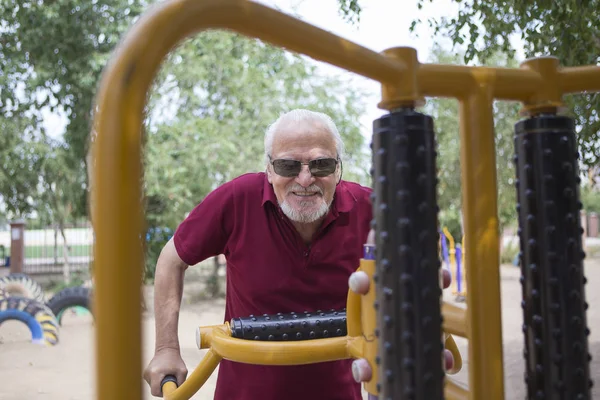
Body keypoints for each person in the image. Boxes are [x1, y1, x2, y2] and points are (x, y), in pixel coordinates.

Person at [143, 109, 453, 399]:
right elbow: (172, 260)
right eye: (288, 166)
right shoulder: (236, 200)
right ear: (269, 169)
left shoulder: (371, 211)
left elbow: (416, 273)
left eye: (321, 165)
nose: (305, 180)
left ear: (338, 168)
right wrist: (166, 348)